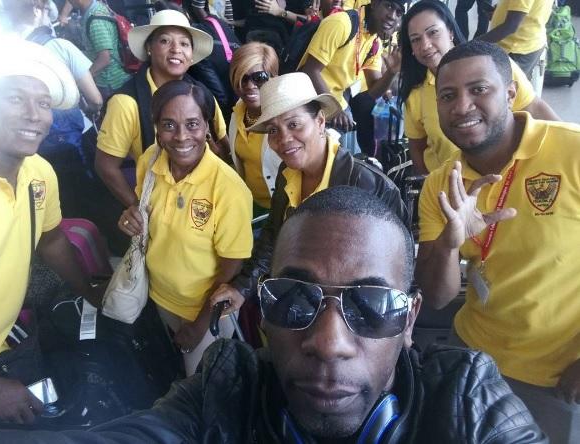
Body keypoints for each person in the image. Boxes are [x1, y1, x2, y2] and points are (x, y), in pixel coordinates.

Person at [0, 186, 548, 442]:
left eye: (372, 305)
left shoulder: (466, 404)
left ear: (409, 321)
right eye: (295, 300)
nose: (329, 342)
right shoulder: (220, 399)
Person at [416, 40, 580, 444]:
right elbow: (437, 296)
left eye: (479, 89)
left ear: (510, 93)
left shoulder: (573, 150)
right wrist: (449, 244)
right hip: (472, 356)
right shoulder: (441, 184)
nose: (462, 106)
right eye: (448, 96)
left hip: (557, 376)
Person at [210, 72, 407, 324]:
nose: (283, 139)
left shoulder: (369, 185)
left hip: (351, 316)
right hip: (300, 304)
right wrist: (242, 287)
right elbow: (275, 234)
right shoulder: (287, 173)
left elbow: (397, 268)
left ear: (320, 121)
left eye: (294, 124)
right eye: (273, 130)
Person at [0, 39, 104, 425]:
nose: (34, 115)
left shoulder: (39, 172)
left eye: (43, 103)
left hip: (10, 341)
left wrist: (90, 292)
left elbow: (52, 241)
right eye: (15, 99)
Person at [118, 79, 253, 376]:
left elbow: (232, 264)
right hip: (158, 296)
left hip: (204, 311)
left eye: (192, 124)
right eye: (169, 125)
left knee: (202, 386)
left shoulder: (228, 189)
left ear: (207, 127)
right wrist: (131, 218)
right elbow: (145, 212)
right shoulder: (149, 161)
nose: (181, 137)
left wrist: (201, 324)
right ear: (156, 127)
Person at [398, 0, 559, 175]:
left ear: (450, 31)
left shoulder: (492, 65)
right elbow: (417, 149)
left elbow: (535, 108)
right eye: (416, 39)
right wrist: (430, 185)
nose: (425, 45)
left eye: (433, 32)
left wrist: (570, 147)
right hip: (449, 186)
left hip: (505, 181)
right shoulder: (416, 93)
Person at [95, 9, 229, 212]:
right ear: (149, 47)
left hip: (207, 199)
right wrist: (139, 208)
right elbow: (106, 165)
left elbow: (223, 144)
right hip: (161, 204)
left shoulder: (203, 94)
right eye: (165, 41)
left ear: (191, 54)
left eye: (184, 44)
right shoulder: (126, 103)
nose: (176, 49)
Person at [299, 0, 405, 154]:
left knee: (351, 154)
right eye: (389, 6)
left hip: (335, 104)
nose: (392, 16)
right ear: (374, 3)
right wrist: (335, 109)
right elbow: (310, 71)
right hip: (308, 99)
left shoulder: (374, 41)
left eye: (399, 12)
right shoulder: (342, 23)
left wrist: (391, 72)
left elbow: (373, 91)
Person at [228, 42, 281, 213]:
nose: (250, 85)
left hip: (282, 207)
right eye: (243, 78)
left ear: (273, 77)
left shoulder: (284, 118)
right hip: (249, 203)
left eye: (259, 77)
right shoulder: (237, 113)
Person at [66, 0, 131, 98]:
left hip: (111, 82)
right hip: (116, 79)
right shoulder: (98, 7)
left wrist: (83, 80)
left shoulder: (95, 21)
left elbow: (104, 59)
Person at [478, 0, 555, 80]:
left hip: (516, 48)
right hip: (528, 43)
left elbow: (510, 26)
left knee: (505, 84)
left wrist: (474, 45)